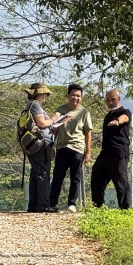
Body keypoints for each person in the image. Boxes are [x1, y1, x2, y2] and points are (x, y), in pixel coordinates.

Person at [49, 84, 92, 213]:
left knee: (76, 177)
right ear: (68, 95)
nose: (75, 98)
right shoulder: (61, 109)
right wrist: (52, 146)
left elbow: (88, 133)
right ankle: (52, 204)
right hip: (62, 147)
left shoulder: (84, 112)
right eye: (73, 95)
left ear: (82, 97)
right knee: (57, 176)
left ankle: (72, 203)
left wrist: (88, 152)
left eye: (78, 96)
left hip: (77, 148)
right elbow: (55, 129)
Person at [22, 82, 66, 212]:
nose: (46, 96)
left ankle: (34, 205)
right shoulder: (35, 105)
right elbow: (42, 123)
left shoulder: (30, 105)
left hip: (36, 144)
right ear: (38, 94)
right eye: (44, 93)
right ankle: (43, 205)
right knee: (42, 173)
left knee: (36, 173)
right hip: (40, 144)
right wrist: (55, 119)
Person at [91, 89, 133, 209]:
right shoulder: (107, 115)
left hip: (119, 153)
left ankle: (125, 208)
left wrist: (117, 121)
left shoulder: (125, 111)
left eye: (113, 99)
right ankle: (98, 204)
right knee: (97, 176)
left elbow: (125, 118)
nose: (110, 102)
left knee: (121, 182)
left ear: (119, 99)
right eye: (108, 100)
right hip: (105, 153)